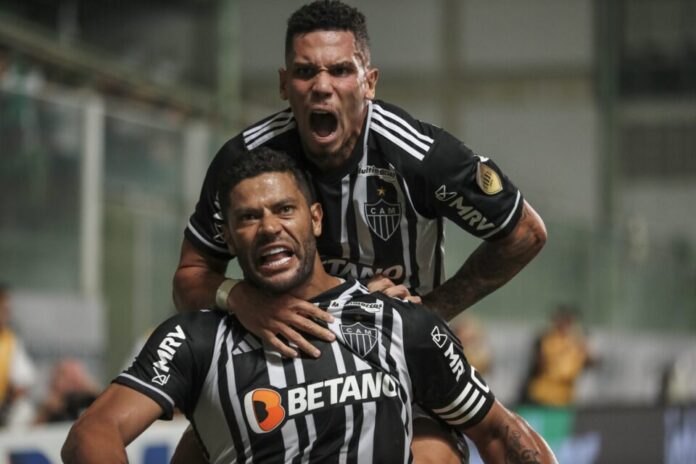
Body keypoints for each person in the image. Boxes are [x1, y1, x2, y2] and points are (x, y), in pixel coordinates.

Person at [174, 2, 546, 461]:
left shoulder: (421, 156)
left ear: (369, 82)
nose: (322, 87)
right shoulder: (245, 162)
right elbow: (190, 277)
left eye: (340, 70)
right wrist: (243, 299)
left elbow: (525, 232)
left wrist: (430, 311)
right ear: (284, 84)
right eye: (306, 71)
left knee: (437, 458)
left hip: (391, 360)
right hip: (276, 355)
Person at [63, 148, 557, 464]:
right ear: (230, 238)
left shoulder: (401, 323)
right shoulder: (198, 337)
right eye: (248, 218)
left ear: (316, 219)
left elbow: (498, 436)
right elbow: (93, 432)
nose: (269, 227)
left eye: (284, 210)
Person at [521, 304, 593, 407]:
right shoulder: (547, 339)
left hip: (565, 398)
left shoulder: (577, 342)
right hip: (542, 396)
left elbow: (590, 362)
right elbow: (540, 364)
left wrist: (583, 349)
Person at [0, 283, 37, 427]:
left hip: (3, 409)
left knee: (23, 410)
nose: (7, 314)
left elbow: (22, 381)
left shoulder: (10, 341)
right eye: (3, 309)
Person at [33, 358, 100, 424]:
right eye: (67, 377)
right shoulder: (49, 407)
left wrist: (92, 393)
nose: (72, 382)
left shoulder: (89, 399)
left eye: (75, 376)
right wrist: (48, 410)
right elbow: (34, 429)